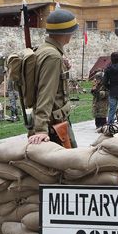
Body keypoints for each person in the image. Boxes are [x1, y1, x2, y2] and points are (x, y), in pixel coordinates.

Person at [27, 9, 78, 146]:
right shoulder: (53, 56)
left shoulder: (44, 50)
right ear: (67, 33)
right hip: (54, 126)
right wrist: (41, 130)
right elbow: (46, 92)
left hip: (54, 122)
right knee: (69, 165)